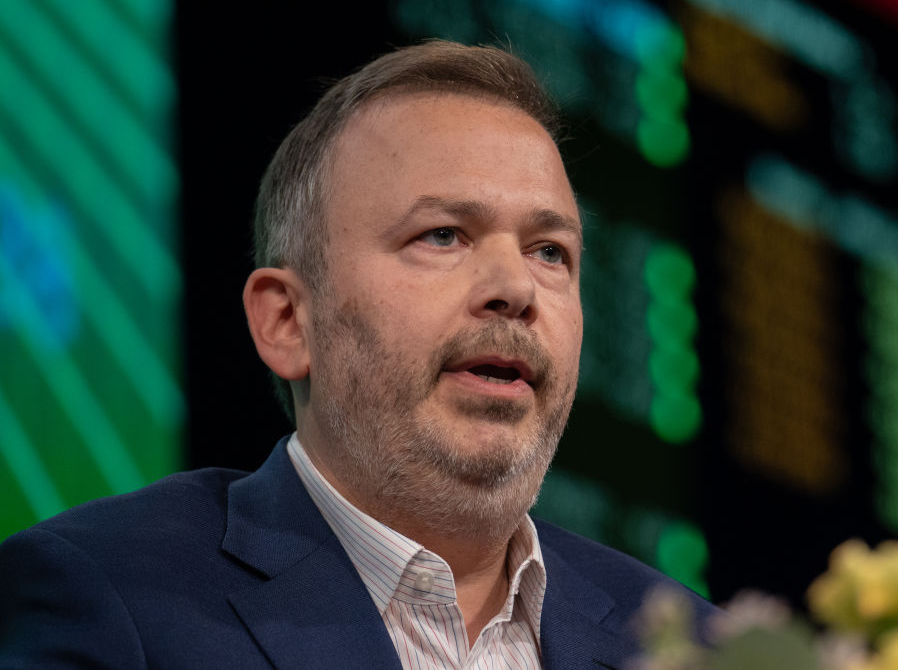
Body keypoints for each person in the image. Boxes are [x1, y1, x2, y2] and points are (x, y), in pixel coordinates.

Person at [0, 40, 716, 668]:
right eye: (443, 234)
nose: (515, 287)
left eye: (551, 251)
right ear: (287, 320)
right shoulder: (108, 594)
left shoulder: (696, 649)